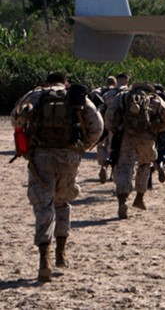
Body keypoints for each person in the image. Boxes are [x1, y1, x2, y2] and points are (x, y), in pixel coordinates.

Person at [10, 72, 104, 282]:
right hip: (69, 157)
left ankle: (45, 259)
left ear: (47, 82)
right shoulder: (77, 97)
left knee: (44, 204)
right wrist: (83, 147)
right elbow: (97, 126)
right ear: (66, 82)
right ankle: (61, 254)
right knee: (62, 202)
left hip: (41, 156)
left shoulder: (35, 95)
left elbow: (15, 118)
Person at [104, 82, 165, 219]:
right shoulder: (156, 99)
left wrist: (115, 130)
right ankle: (139, 197)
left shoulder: (123, 96)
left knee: (124, 167)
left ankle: (122, 200)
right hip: (147, 138)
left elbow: (109, 115)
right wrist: (156, 130)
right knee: (144, 165)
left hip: (127, 137)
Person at [98, 73, 130, 183]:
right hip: (126, 129)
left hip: (110, 126)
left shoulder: (107, 94)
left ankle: (105, 164)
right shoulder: (130, 94)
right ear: (127, 81)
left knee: (108, 147)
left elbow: (101, 110)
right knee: (123, 153)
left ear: (117, 81)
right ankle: (116, 177)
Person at [89, 76, 117, 183]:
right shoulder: (118, 92)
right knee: (114, 147)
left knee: (101, 146)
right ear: (115, 83)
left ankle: (103, 166)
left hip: (101, 123)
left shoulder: (98, 92)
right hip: (114, 124)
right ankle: (112, 173)